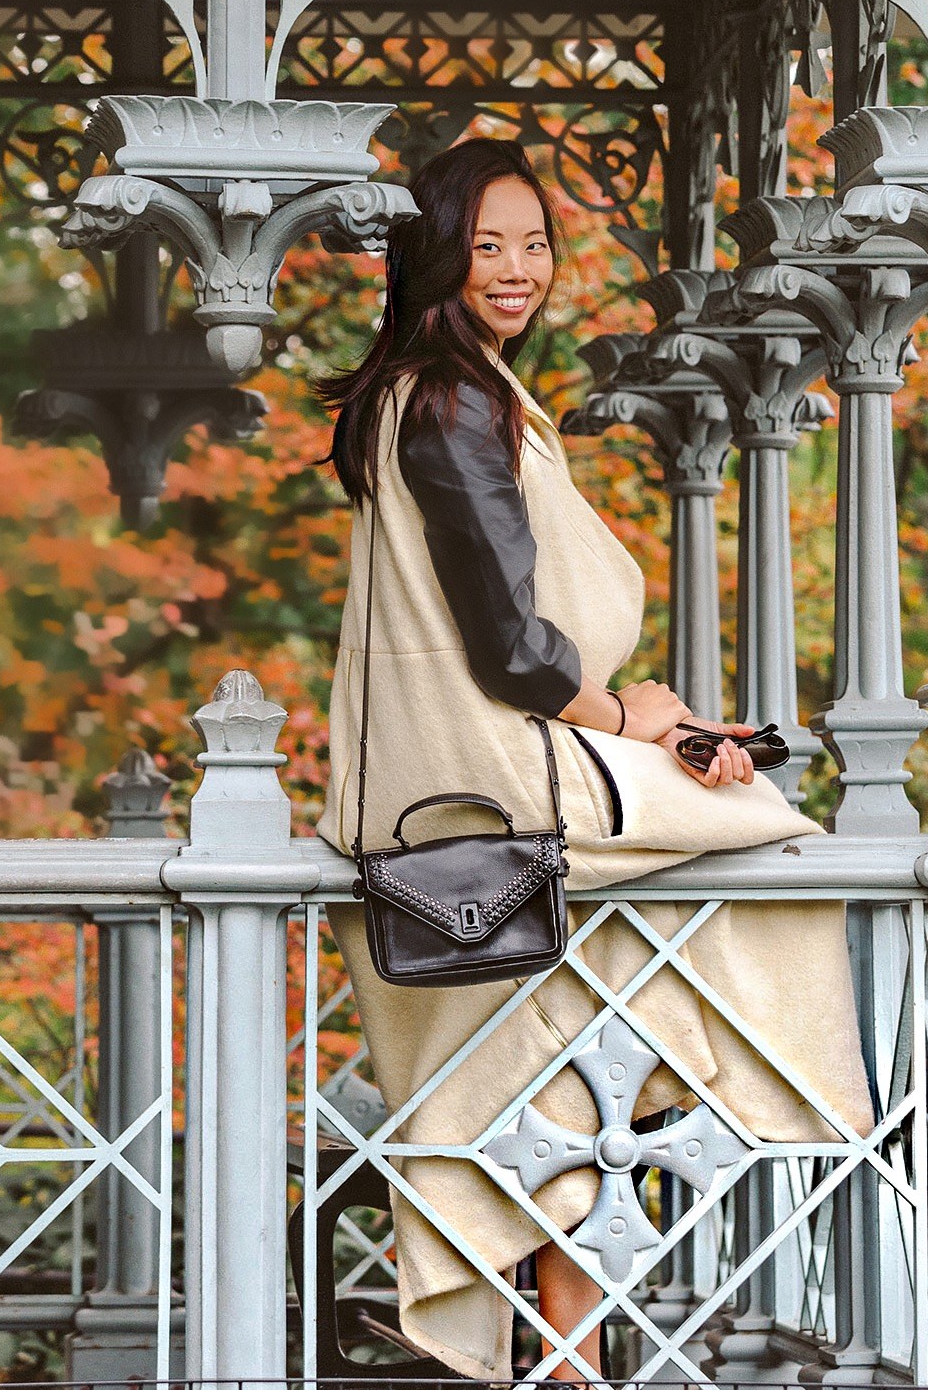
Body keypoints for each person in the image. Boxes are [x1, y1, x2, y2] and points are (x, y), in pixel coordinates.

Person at [318, 137, 872, 1383]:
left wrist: (660, 726)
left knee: (592, 1015)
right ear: (433, 256)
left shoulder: (451, 389)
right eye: (485, 245)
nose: (516, 270)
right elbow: (511, 649)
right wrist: (636, 724)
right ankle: (812, 1106)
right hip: (494, 775)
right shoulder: (451, 399)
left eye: (535, 243)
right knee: (781, 841)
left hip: (501, 758)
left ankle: (568, 1355)